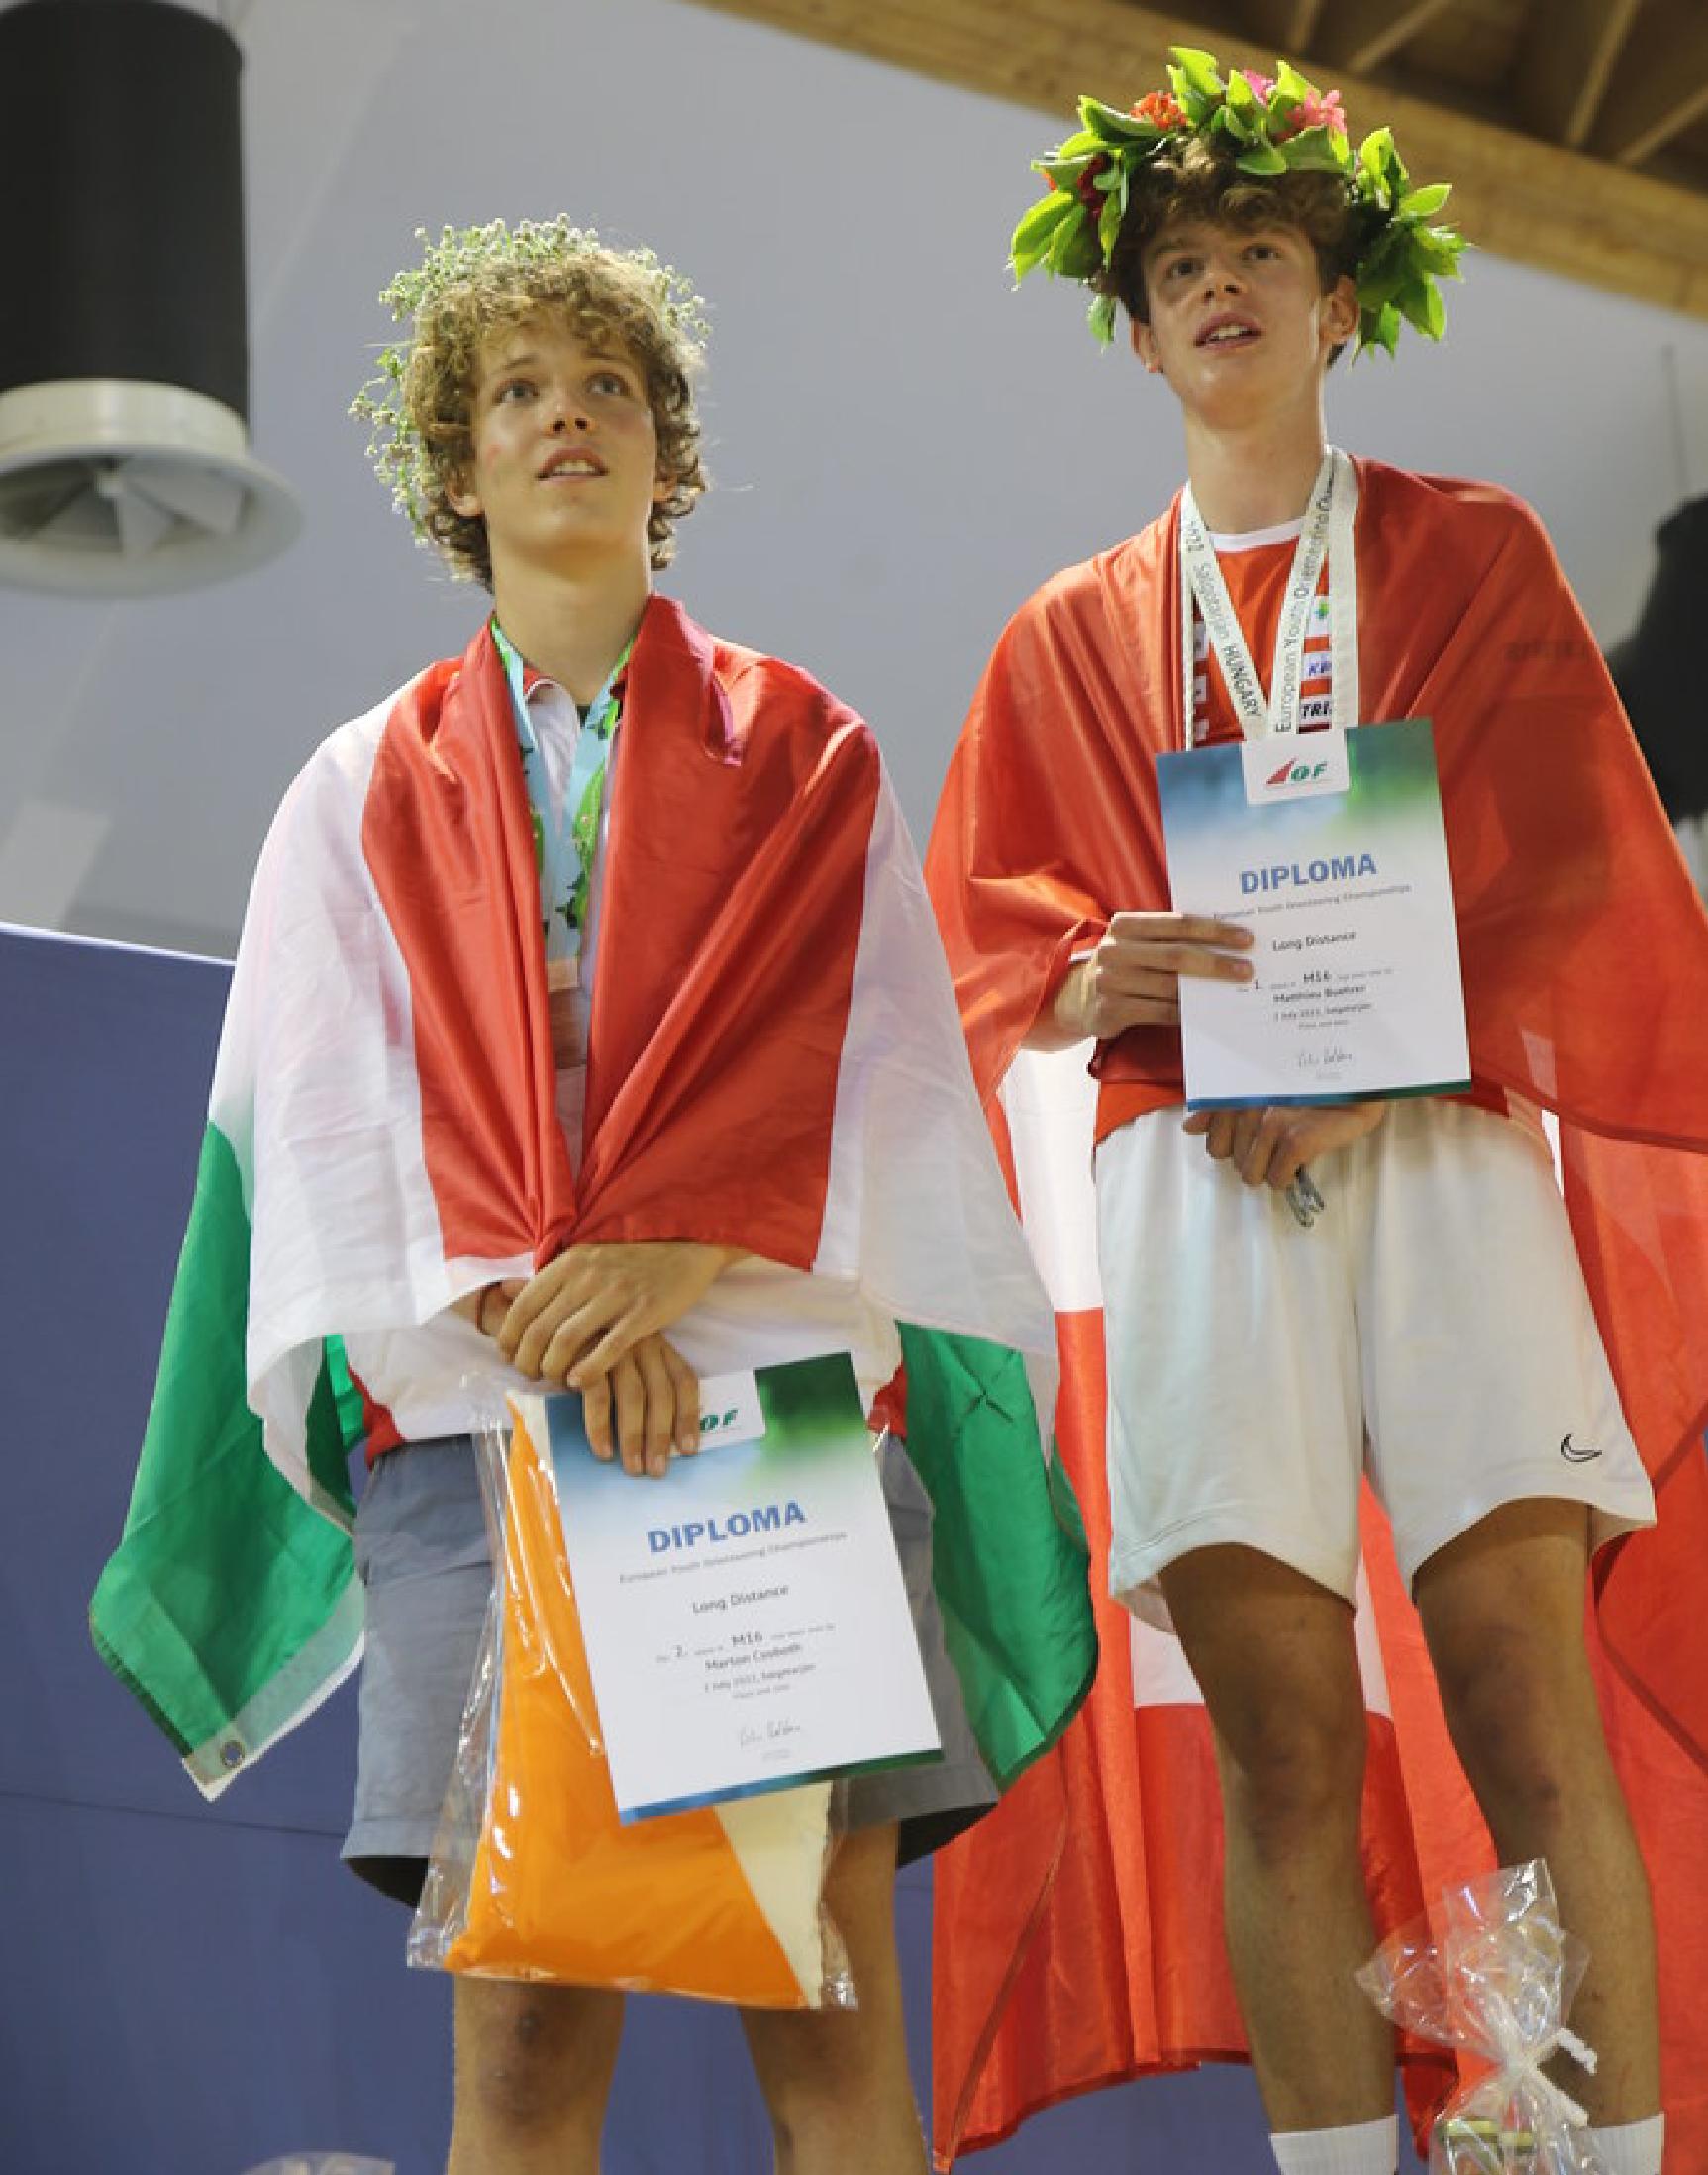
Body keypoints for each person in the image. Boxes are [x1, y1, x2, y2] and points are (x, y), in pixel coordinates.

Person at [90, 218, 1094, 2175]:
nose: (567, 417)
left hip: (771, 1415)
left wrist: (678, 1268)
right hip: (483, 1429)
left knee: (821, 2023)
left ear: (665, 453)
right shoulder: (354, 784)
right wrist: (547, 1313)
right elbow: (324, 1117)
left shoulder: (804, 752)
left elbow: (868, 1067)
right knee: (530, 2043)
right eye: (517, 392)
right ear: (457, 470)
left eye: (606, 388)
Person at [925, 51, 1708, 2175]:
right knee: (1276, 1742)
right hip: (1192, 1179)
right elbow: (987, 953)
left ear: (1343, 295)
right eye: (1177, 263)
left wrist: (1381, 1066)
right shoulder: (1063, 637)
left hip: (1438, 1151)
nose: (1219, 289)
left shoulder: (1470, 555)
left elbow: (1580, 888)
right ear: (1136, 320)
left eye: (1261, 249)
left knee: (1519, 1699)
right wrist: (1088, 975)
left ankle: (1605, 2159)